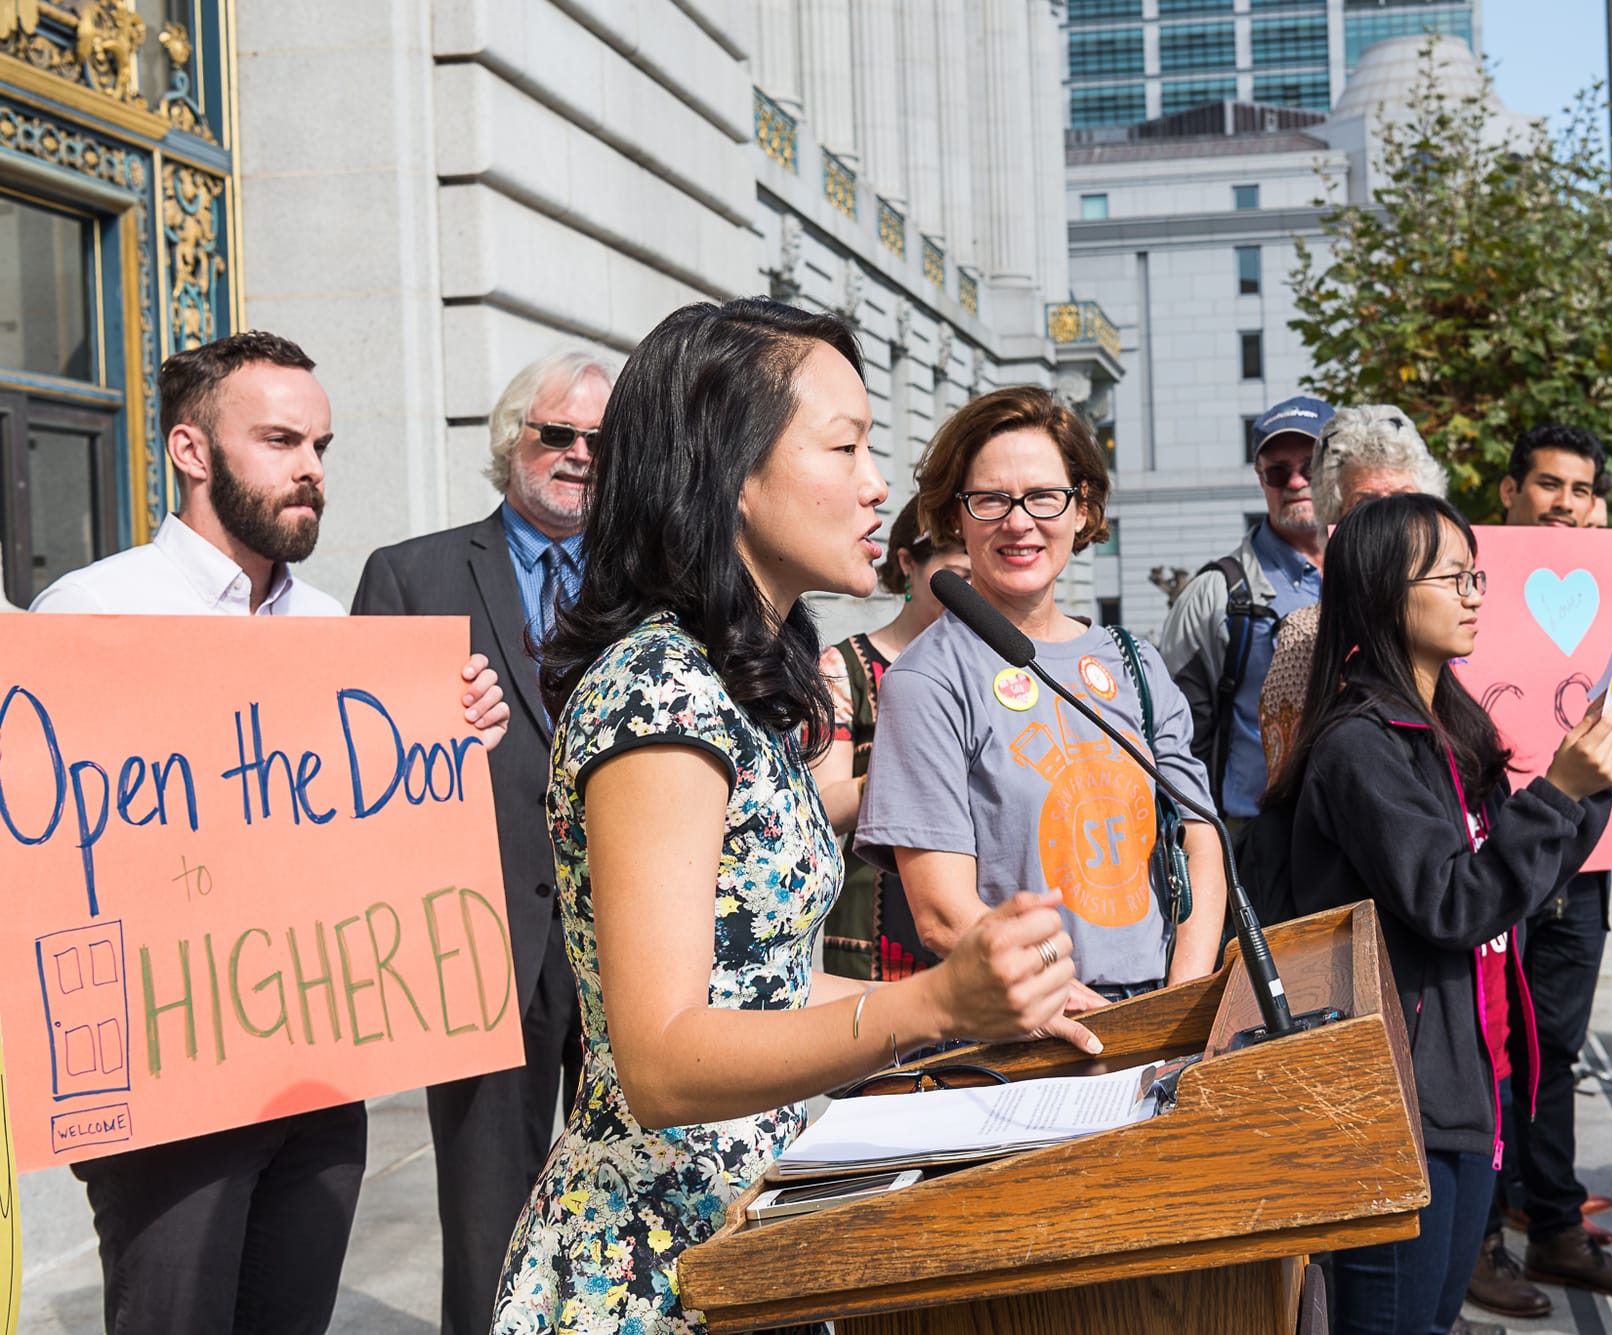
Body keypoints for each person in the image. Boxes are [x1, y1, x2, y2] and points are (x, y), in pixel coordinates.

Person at [492, 300, 1099, 1335]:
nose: (878, 487)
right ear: (727, 470)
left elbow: (757, 979)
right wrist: (930, 1009)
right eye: (846, 445)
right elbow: (660, 1057)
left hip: (759, 1235)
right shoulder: (658, 698)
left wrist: (987, 1005)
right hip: (652, 1266)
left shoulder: (728, 683)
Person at [31, 331, 511, 1335]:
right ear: (190, 451)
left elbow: (369, 839)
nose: (310, 472)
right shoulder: (91, 612)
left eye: (322, 447)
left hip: (318, 1070)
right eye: (282, 441)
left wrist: (454, 734)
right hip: (171, 1091)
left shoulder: (332, 627)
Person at [1267, 492, 1612, 1335]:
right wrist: (1560, 792)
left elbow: (1510, 883)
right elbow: (1451, 899)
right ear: (1382, 591)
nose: (1474, 593)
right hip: (1394, 1097)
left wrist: (1588, 788)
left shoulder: (1447, 727)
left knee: (1431, 1320)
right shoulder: (1360, 743)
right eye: (1452, 576)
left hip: (1472, 1082)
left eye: (1477, 574)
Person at [351, 349, 612, 1335]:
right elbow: (365, 771)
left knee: (621, 1207)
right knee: (487, 1221)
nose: (579, 455)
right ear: (514, 440)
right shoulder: (411, 574)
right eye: (558, 433)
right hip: (478, 947)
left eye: (600, 441)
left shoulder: (650, 585)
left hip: (626, 949)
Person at [857, 385, 1228, 1005]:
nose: (1019, 521)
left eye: (1043, 498)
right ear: (954, 515)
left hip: (1160, 1015)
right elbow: (944, 913)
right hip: (1026, 1028)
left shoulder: (1136, 664)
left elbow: (1201, 840)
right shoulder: (928, 678)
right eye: (990, 500)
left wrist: (1177, 1007)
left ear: (1082, 509)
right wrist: (1074, 1001)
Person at [1465, 423, 1612, 1311]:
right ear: (1509, 492)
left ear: (1601, 506)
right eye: (1547, 484)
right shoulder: (1462, 582)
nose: (1564, 503)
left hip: (1586, 863)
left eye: (1580, 490)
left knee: (1555, 1051)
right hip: (1488, 856)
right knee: (1482, 1051)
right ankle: (1476, 1241)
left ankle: (1552, 1229)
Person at [808, 496, 971, 980]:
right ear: (908, 564)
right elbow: (820, 805)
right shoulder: (844, 668)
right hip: (876, 936)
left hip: (976, 919)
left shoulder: (998, 669)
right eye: (959, 578)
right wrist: (913, 769)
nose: (974, 594)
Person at [1159, 394, 1335, 820]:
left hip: (1360, 831)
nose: (1296, 482)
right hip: (1257, 839)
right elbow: (1170, 740)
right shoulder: (1215, 595)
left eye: (1310, 467)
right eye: (1278, 471)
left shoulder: (1380, 572)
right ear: (1261, 479)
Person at [1258, 404, 1447, 777]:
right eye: (1368, 506)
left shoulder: (1468, 614)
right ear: (1336, 522)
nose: (1390, 519)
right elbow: (1290, 785)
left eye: (1405, 500)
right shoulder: (1307, 638)